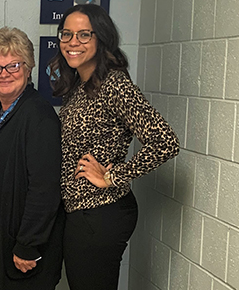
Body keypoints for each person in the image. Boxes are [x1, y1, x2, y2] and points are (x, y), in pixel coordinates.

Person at [48, 5, 179, 290]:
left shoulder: (114, 84)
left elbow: (165, 142)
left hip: (99, 210)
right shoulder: (79, 85)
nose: (72, 42)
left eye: (84, 35)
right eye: (66, 34)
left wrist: (112, 176)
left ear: (102, 38)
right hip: (81, 211)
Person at [0, 27, 64, 290]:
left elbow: (45, 187)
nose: (4, 74)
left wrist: (28, 245)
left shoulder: (39, 116)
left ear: (29, 67)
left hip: (19, 251)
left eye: (13, 65)